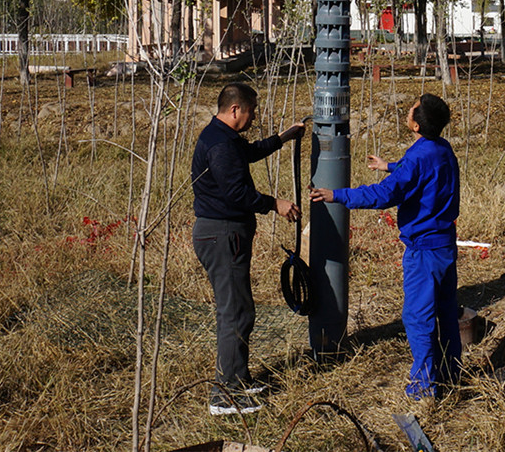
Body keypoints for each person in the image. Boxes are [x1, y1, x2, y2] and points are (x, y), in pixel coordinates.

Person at [310, 93, 461, 400]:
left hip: (423, 251)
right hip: (445, 246)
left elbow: (383, 196)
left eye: (411, 108)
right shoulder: (442, 149)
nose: (408, 110)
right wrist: (389, 166)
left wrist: (337, 196)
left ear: (417, 126)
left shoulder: (419, 157)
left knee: (418, 318)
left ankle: (424, 389)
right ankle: (451, 374)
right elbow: (417, 173)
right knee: (445, 314)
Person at [191, 82, 303, 416]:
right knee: (234, 313)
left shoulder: (223, 137)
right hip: (222, 235)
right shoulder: (220, 146)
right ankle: (224, 396)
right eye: (251, 111)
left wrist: (282, 138)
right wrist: (275, 204)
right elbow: (236, 194)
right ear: (235, 109)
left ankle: (238, 378)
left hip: (226, 235)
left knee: (240, 309)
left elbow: (249, 152)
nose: (254, 117)